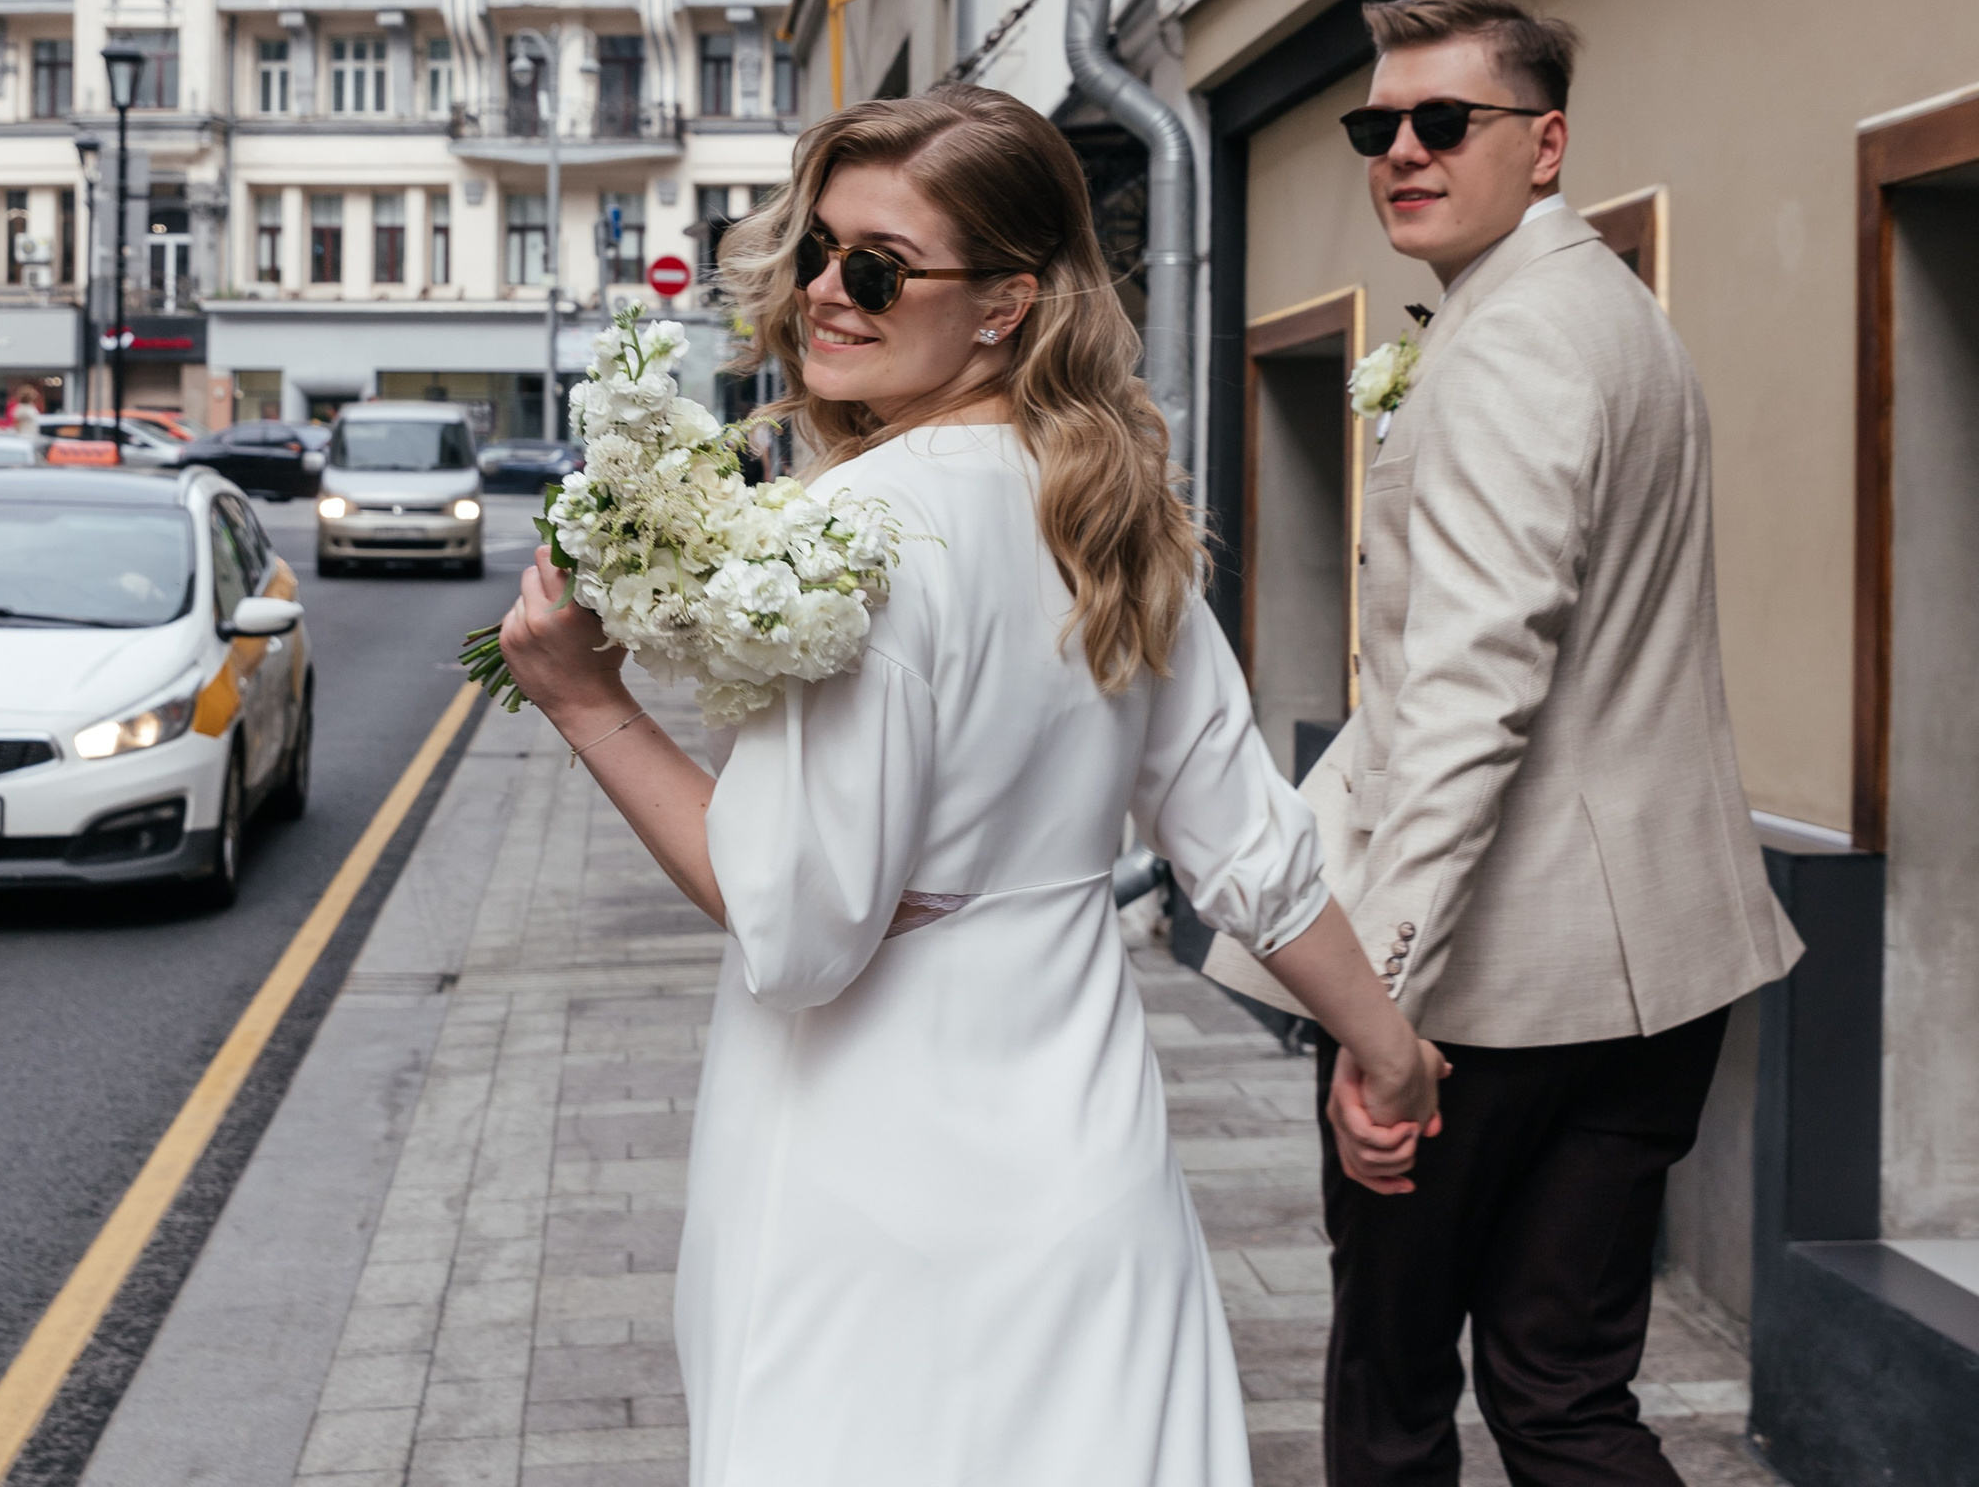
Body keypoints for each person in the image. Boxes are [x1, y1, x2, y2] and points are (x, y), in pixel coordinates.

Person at [494, 87, 1448, 1487]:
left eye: (878, 268)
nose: (826, 290)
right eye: (818, 250)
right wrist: (1388, 1052)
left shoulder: (856, 529)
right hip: (1085, 1161)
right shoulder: (1112, 511)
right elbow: (1245, 840)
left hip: (864, 1173)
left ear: (1005, 303)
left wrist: (588, 706)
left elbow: (801, 928)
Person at [1206, 0, 1803, 1486]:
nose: (1401, 150)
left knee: (1398, 1396)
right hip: (1658, 967)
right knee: (1564, 1386)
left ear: (1544, 146)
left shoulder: (1512, 350)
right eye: (1377, 125)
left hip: (1495, 992)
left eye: (1443, 122)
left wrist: (1375, 1013)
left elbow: (1477, 694)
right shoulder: (1610, 315)